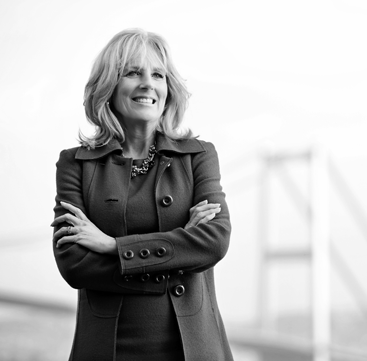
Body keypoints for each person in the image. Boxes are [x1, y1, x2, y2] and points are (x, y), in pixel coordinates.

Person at [51, 28, 233, 361]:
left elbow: (214, 241)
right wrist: (179, 253)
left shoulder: (198, 157)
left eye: (158, 75)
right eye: (134, 73)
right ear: (109, 85)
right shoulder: (75, 164)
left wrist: (112, 246)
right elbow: (75, 264)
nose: (148, 83)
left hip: (193, 350)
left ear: (168, 89)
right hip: (108, 350)